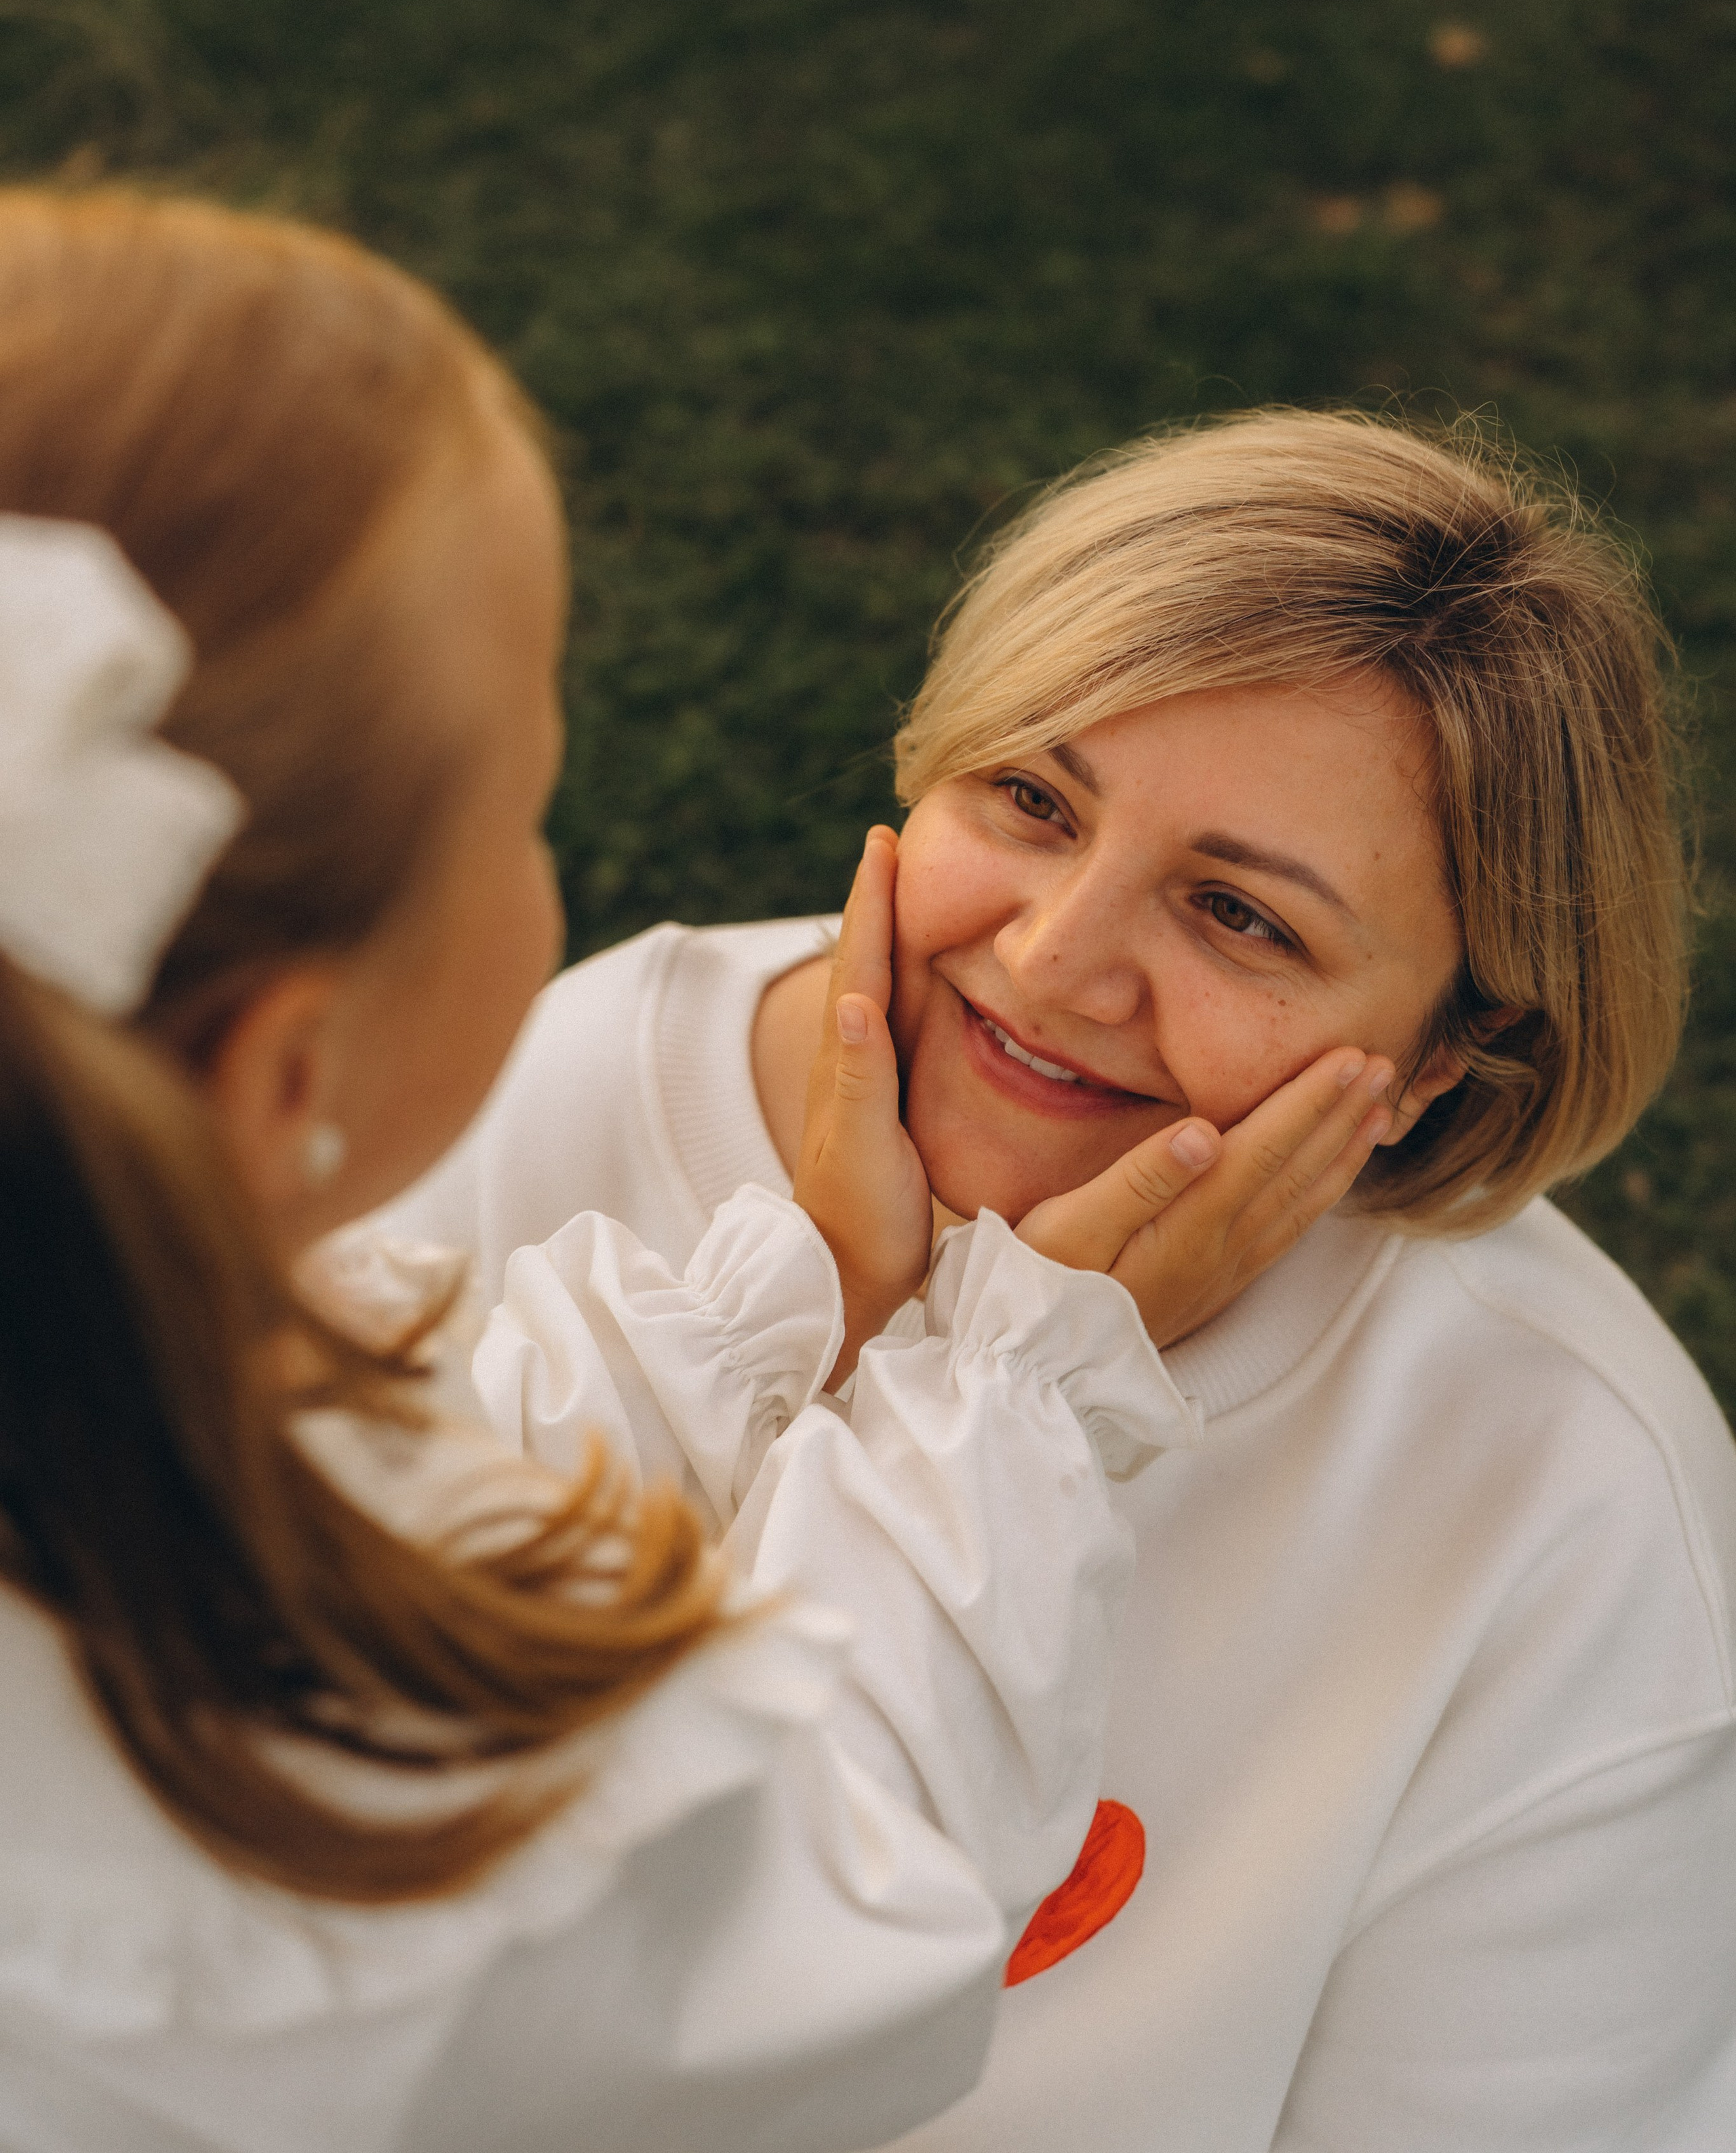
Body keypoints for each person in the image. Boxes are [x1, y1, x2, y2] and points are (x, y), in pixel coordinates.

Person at [0, 191, 1394, 2153]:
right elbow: (839, 1910)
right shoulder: (279, 1877)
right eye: (528, 800)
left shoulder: (94, 1359)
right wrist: (1014, 1384)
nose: (1065, 962)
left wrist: (798, 1287)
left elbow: (380, 1486)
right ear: (286, 1065)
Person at [398, 410, 1736, 2152]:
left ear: (1439, 1061)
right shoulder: (567, 1081)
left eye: (1239, 917)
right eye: (1029, 797)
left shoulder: (1567, 1497)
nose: (1051, 963)